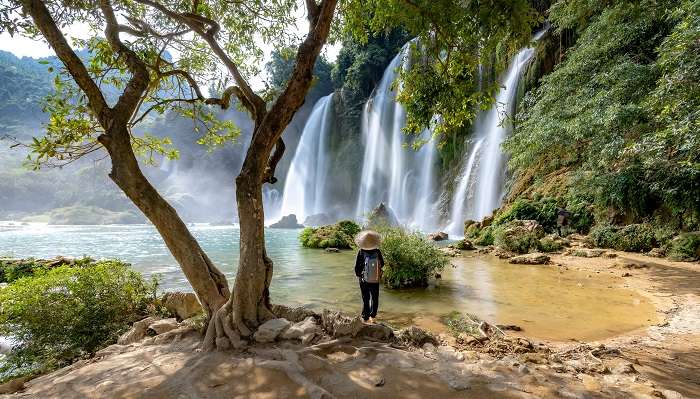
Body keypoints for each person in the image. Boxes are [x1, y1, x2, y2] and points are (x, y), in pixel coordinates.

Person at [354, 230, 384, 324]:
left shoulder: (361, 252)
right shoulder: (377, 251)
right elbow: (382, 264)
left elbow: (357, 267)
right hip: (375, 279)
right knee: (375, 298)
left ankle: (365, 317)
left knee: (365, 298)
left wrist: (359, 275)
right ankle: (373, 316)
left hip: (364, 279)